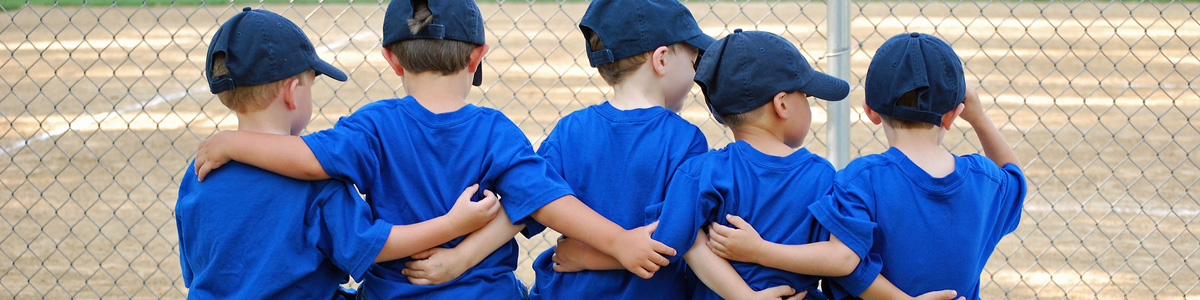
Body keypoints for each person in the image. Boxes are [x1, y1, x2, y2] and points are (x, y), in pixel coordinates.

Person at [190, 1, 677, 299]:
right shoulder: (495, 131)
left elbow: (309, 160)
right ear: (477, 57)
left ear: (391, 60)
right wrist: (617, 241)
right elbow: (547, 200)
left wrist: (234, 141)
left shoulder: (372, 125)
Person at [176, 8, 500, 299]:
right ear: (293, 93)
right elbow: (372, 247)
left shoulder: (201, 171)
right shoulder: (318, 182)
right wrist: (452, 224)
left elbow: (196, 271)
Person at [750, 32, 1025, 300]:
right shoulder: (985, 180)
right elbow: (1015, 178)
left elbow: (848, 267)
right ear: (953, 115)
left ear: (870, 111)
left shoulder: (862, 179)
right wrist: (979, 119)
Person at [520, 0, 726, 299]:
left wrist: (587, 257)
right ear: (662, 59)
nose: (696, 76)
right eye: (693, 62)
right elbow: (672, 239)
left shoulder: (570, 129)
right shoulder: (684, 139)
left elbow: (530, 205)